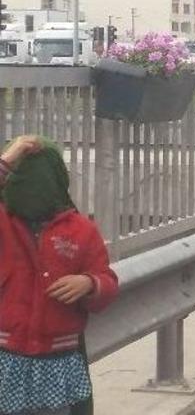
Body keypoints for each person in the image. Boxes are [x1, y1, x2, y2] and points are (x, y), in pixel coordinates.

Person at [0, 136, 119, 415]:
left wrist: (89, 284)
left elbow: (107, 281)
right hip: (5, 358)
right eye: (21, 174)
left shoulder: (81, 230)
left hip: (58, 363)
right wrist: (9, 158)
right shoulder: (4, 222)